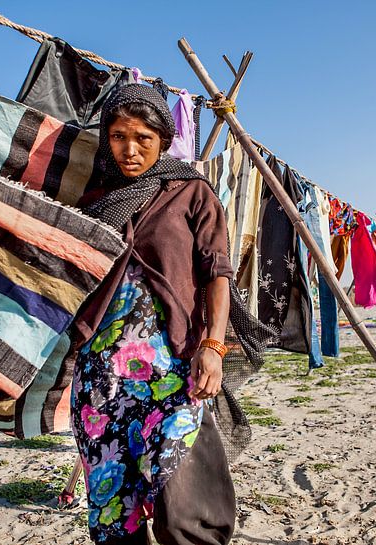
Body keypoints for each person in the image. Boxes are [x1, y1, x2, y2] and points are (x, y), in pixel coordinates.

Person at [70, 84, 236, 545]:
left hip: (170, 368)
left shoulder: (189, 191)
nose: (130, 149)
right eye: (119, 135)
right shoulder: (95, 199)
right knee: (113, 507)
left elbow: (216, 271)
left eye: (143, 137)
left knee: (183, 501)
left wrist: (213, 346)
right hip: (102, 375)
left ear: (163, 138)